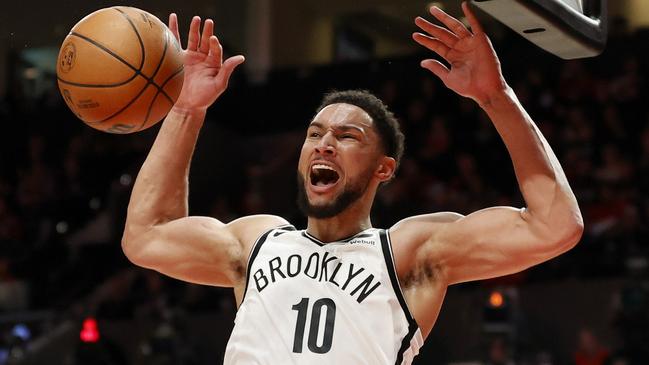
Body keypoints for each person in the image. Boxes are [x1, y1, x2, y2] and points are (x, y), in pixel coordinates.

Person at [121, 2, 583, 364]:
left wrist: (494, 96)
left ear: (384, 168)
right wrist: (185, 111)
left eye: (346, 136)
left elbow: (556, 225)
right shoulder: (258, 241)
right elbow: (146, 236)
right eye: (315, 134)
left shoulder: (407, 252)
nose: (324, 144)